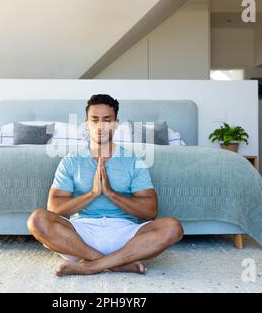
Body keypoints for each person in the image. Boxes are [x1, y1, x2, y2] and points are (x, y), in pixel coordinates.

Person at [27, 94, 183, 276]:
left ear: (116, 124)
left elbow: (150, 211)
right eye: (95, 120)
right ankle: (116, 263)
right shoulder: (71, 160)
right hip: (80, 235)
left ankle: (91, 265)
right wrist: (93, 193)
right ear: (87, 123)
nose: (100, 126)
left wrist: (110, 193)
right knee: (37, 219)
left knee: (173, 227)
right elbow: (53, 208)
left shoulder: (133, 160)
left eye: (107, 120)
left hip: (126, 234)